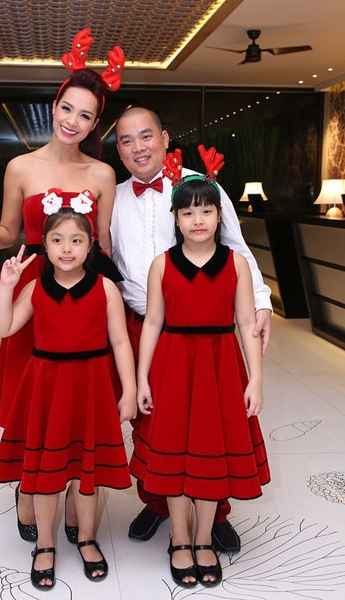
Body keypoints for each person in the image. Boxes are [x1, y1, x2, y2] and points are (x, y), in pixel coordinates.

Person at [0, 29, 125, 541]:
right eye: (67, 108)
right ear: (54, 106)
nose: (73, 121)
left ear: (96, 124)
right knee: (31, 393)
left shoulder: (102, 174)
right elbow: (9, 232)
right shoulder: (20, 167)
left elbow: (104, 244)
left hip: (85, 290)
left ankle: (76, 485)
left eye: (85, 115)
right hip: (35, 286)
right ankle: (29, 483)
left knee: (78, 394)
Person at [110, 107, 272, 553]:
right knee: (152, 423)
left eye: (146, 136)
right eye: (126, 140)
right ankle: (158, 503)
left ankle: (214, 513)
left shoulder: (200, 187)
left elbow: (237, 248)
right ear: (118, 151)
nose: (138, 147)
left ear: (165, 138)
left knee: (211, 423)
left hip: (207, 328)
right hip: (141, 323)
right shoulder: (115, 197)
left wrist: (260, 301)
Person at [0, 192, 137, 589]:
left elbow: (120, 342)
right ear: (44, 245)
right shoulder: (36, 289)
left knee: (87, 473)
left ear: (90, 246)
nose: (66, 248)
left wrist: (128, 389)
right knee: (45, 472)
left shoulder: (105, 288)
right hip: (47, 388)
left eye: (76, 240)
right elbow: (4, 328)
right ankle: (46, 543)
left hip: (91, 386)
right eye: (57, 240)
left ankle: (86, 538)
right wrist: (6, 286)